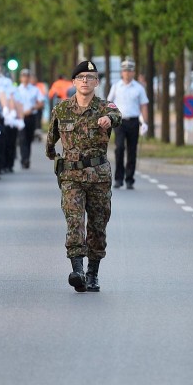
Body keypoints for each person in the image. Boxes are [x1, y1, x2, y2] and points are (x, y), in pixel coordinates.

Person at [45, 60, 122, 293]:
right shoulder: (61, 109)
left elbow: (117, 116)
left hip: (98, 177)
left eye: (90, 78)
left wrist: (109, 120)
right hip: (71, 177)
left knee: (98, 226)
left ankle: (92, 273)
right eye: (80, 78)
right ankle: (77, 270)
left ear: (96, 82)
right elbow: (51, 140)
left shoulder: (104, 107)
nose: (85, 81)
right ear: (74, 82)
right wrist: (53, 155)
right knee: (75, 222)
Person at [106, 59, 149, 189]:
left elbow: (144, 105)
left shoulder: (139, 88)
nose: (127, 73)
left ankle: (129, 179)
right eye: (125, 71)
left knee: (132, 150)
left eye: (129, 71)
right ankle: (118, 178)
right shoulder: (116, 86)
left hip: (134, 121)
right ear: (121, 73)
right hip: (119, 122)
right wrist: (109, 116)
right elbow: (109, 102)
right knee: (119, 149)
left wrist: (145, 122)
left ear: (133, 73)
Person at [12, 68, 45, 170]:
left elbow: (41, 103)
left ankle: (27, 157)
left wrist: (33, 108)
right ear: (21, 78)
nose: (25, 78)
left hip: (31, 116)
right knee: (22, 139)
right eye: (23, 76)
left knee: (29, 138)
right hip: (21, 117)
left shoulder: (35, 89)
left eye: (27, 76)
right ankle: (24, 159)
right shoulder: (17, 90)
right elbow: (13, 102)